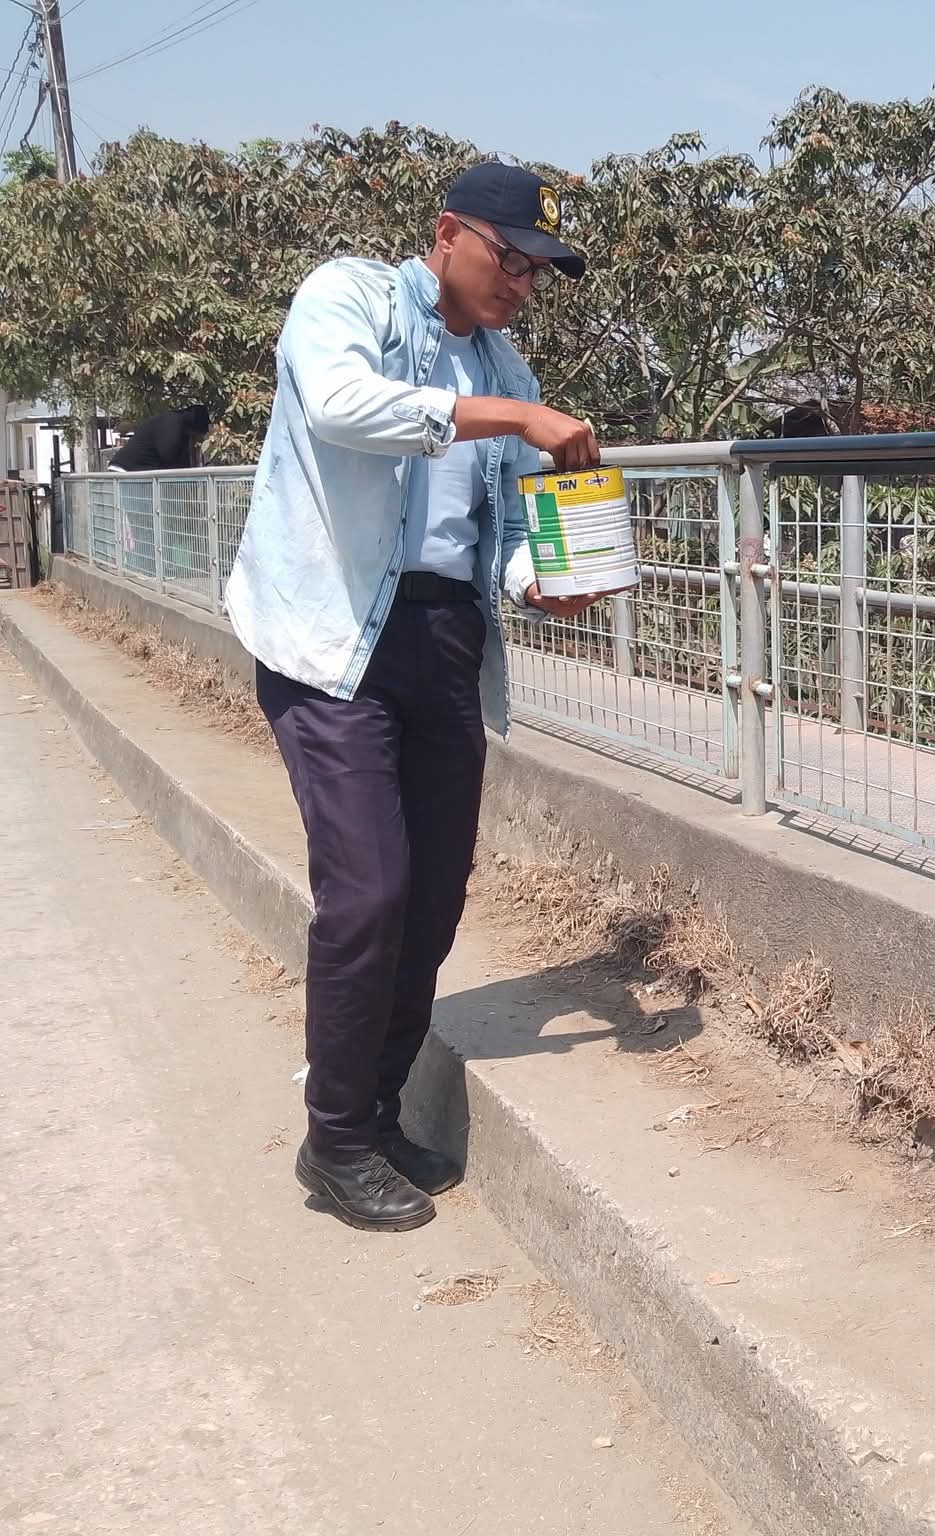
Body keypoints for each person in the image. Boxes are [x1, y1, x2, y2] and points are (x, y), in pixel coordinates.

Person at [226, 162, 608, 1233]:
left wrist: (545, 582)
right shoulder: (348, 297)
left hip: (442, 641)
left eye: (537, 271)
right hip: (332, 638)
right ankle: (335, 1140)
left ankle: (378, 1114)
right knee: (371, 892)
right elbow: (343, 407)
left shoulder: (505, 365)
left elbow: (510, 531)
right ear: (447, 234)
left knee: (432, 897)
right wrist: (514, 417)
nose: (522, 283)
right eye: (511, 259)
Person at [109, 403, 211, 471]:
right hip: (126, 470)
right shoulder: (173, 425)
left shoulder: (178, 427)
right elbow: (171, 461)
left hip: (135, 471)